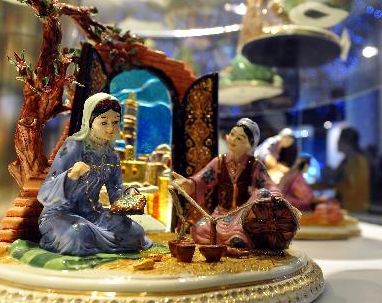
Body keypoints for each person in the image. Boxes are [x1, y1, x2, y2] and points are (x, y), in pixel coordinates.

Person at [37, 93, 152, 256]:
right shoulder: (73, 147)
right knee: (79, 233)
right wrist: (72, 174)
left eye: (115, 122)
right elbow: (45, 194)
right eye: (104, 122)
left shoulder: (111, 155)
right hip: (60, 215)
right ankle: (81, 241)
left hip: (93, 214)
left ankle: (96, 240)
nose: (111, 128)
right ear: (90, 121)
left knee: (136, 233)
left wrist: (129, 194)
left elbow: (115, 194)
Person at [173, 118, 281, 248]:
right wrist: (187, 184)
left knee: (244, 227)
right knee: (198, 230)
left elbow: (269, 186)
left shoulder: (254, 165)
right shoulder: (219, 162)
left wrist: (273, 196)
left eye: (240, 138)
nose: (233, 139)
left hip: (241, 216)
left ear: (249, 145)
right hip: (220, 215)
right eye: (232, 134)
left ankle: (235, 239)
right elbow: (201, 180)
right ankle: (230, 240)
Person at [333, 127, 370, 211]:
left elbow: (353, 189)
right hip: (347, 207)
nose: (337, 142)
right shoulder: (346, 161)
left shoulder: (358, 161)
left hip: (355, 209)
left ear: (347, 142)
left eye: (339, 139)